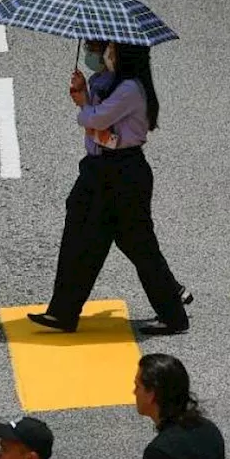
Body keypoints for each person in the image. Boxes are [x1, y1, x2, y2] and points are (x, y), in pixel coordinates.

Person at [27, 41, 188, 335]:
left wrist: (83, 104)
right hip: (99, 171)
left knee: (137, 245)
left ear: (123, 55)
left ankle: (173, 313)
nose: (102, 55)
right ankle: (62, 311)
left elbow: (95, 119)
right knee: (81, 237)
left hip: (122, 173)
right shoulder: (109, 83)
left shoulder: (129, 89)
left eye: (109, 50)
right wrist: (84, 94)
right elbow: (95, 121)